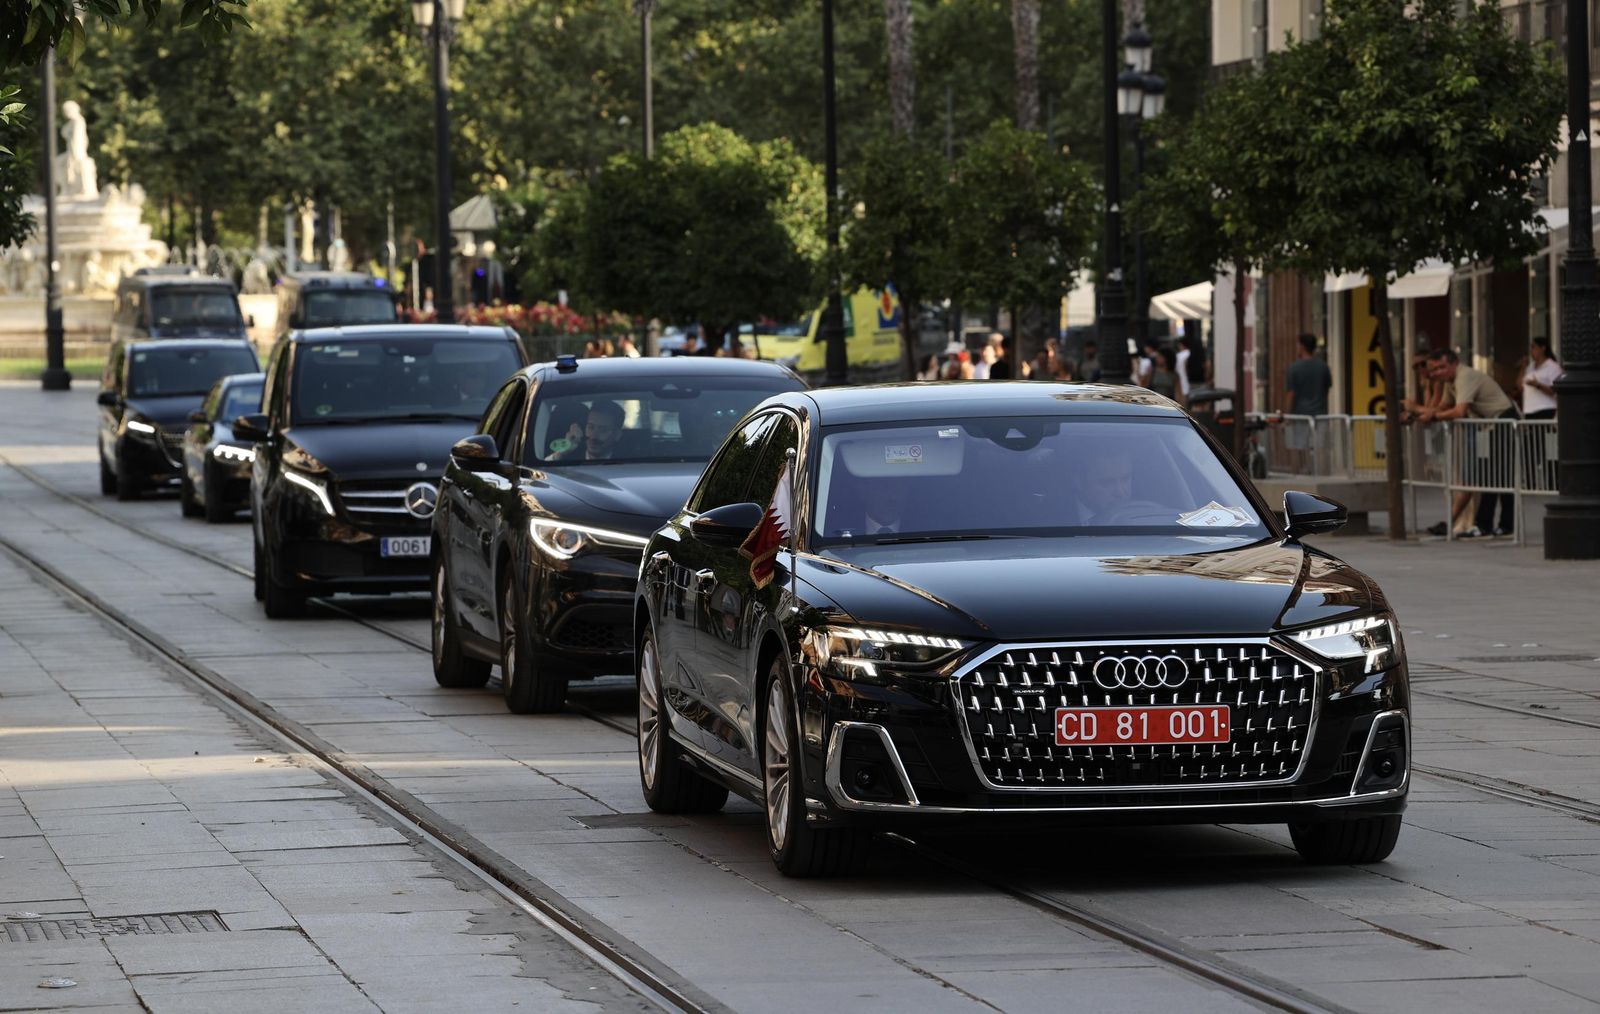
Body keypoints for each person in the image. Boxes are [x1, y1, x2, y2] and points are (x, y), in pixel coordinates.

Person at [1418, 348, 1518, 537]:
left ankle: (1497, 524)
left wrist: (1434, 416)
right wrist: (1427, 413)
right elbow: (1444, 406)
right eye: (1434, 369)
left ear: (1454, 363)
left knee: (1499, 476)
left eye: (1442, 367)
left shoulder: (1465, 376)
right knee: (1491, 476)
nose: (1438, 373)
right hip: (1488, 427)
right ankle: (1488, 524)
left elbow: (1459, 411)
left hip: (1502, 421)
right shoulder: (1450, 382)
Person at [1284, 334, 1333, 472]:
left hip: (1300, 415)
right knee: (1319, 446)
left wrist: (1288, 415)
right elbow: (1327, 388)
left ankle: (1302, 472)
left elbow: (1291, 393)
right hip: (1321, 414)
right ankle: (1320, 472)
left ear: (1302, 347)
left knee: (1300, 447)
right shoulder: (1323, 366)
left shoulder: (1294, 368)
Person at [1073, 445, 1135, 522]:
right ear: (1079, 482)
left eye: (1125, 479)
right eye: (1107, 483)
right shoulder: (1055, 517)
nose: (1120, 492)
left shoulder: (1148, 512)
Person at [551, 401, 626, 461]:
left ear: (617, 435)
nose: (593, 436)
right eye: (591, 427)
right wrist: (562, 453)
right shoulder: (568, 457)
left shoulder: (627, 461)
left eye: (602, 430)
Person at [1521, 337, 1561, 421]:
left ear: (1542, 348)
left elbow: (1555, 391)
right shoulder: (1530, 367)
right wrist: (1523, 367)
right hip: (1530, 410)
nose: (1531, 350)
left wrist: (1538, 385)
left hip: (1546, 409)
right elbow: (1519, 386)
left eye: (1533, 347)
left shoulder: (1552, 366)